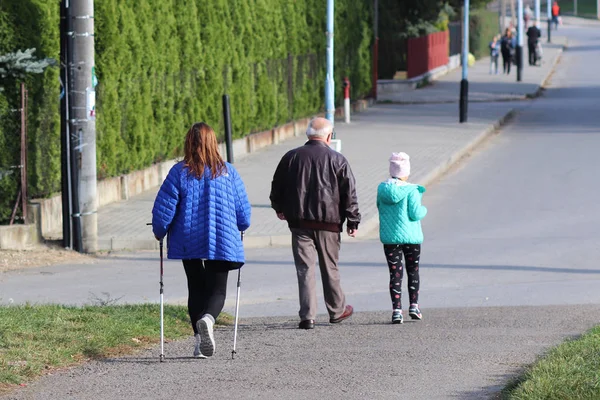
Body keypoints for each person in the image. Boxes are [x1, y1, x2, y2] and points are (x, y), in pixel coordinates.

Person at [152, 122, 251, 358]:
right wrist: (242, 225)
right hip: (222, 236)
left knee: (195, 287)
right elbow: (243, 212)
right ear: (213, 142)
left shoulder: (179, 172)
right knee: (217, 290)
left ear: (189, 143)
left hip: (188, 237)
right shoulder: (229, 171)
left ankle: (199, 343)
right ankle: (208, 319)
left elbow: (164, 209)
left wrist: (160, 231)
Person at [270, 117, 360, 330]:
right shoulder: (338, 159)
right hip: (330, 223)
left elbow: (277, 186)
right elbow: (350, 192)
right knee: (330, 267)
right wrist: (353, 220)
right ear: (329, 136)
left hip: (299, 222)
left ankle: (307, 316)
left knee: (305, 269)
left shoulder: (291, 157)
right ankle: (337, 311)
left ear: (308, 135)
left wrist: (279, 208)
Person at [376, 152, 427, 324]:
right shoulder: (412, 190)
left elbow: (379, 208)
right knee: (413, 271)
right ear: (406, 171)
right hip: (411, 238)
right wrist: (424, 210)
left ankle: (397, 311)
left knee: (395, 273)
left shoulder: (382, 189)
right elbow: (415, 214)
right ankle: (414, 306)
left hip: (391, 239)